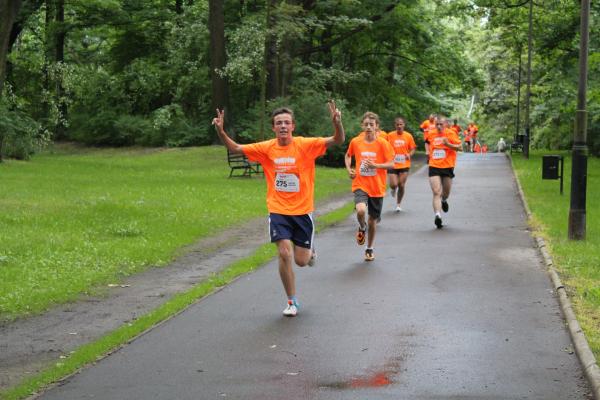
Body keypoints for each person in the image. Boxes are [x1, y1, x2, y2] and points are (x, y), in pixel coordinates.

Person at [212, 101, 345, 317]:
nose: (282, 126)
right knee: (284, 253)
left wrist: (337, 124)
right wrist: (221, 130)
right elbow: (235, 148)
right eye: (278, 123)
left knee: (301, 261)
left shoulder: (306, 145)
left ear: (293, 126)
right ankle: (292, 301)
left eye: (286, 122)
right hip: (278, 209)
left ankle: (310, 251)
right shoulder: (267, 148)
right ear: (274, 128)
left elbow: (338, 140)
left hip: (302, 211)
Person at [345, 112, 394, 261]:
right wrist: (349, 169)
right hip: (360, 183)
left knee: (373, 220)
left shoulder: (383, 144)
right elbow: (348, 155)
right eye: (366, 124)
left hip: (377, 187)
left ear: (377, 127)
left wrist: (376, 165)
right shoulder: (356, 142)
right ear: (362, 126)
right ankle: (362, 227)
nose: (368, 127)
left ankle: (369, 248)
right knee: (360, 211)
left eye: (371, 125)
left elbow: (392, 164)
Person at [427, 117, 461, 229]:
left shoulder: (451, 134)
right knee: (436, 192)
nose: (439, 126)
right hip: (434, 166)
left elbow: (460, 147)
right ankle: (438, 215)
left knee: (446, 192)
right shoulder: (431, 134)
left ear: (445, 124)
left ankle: (444, 200)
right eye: (437, 124)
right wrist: (428, 151)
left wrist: (448, 145)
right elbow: (427, 142)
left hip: (447, 166)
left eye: (441, 124)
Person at [386, 117, 416, 212]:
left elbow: (413, 148)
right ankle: (393, 189)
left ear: (404, 125)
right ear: (395, 125)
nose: (399, 126)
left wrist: (409, 154)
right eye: (397, 124)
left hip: (404, 164)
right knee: (394, 184)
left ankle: (398, 204)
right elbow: (384, 146)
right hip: (392, 163)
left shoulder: (408, 136)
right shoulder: (390, 135)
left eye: (401, 124)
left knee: (401, 185)